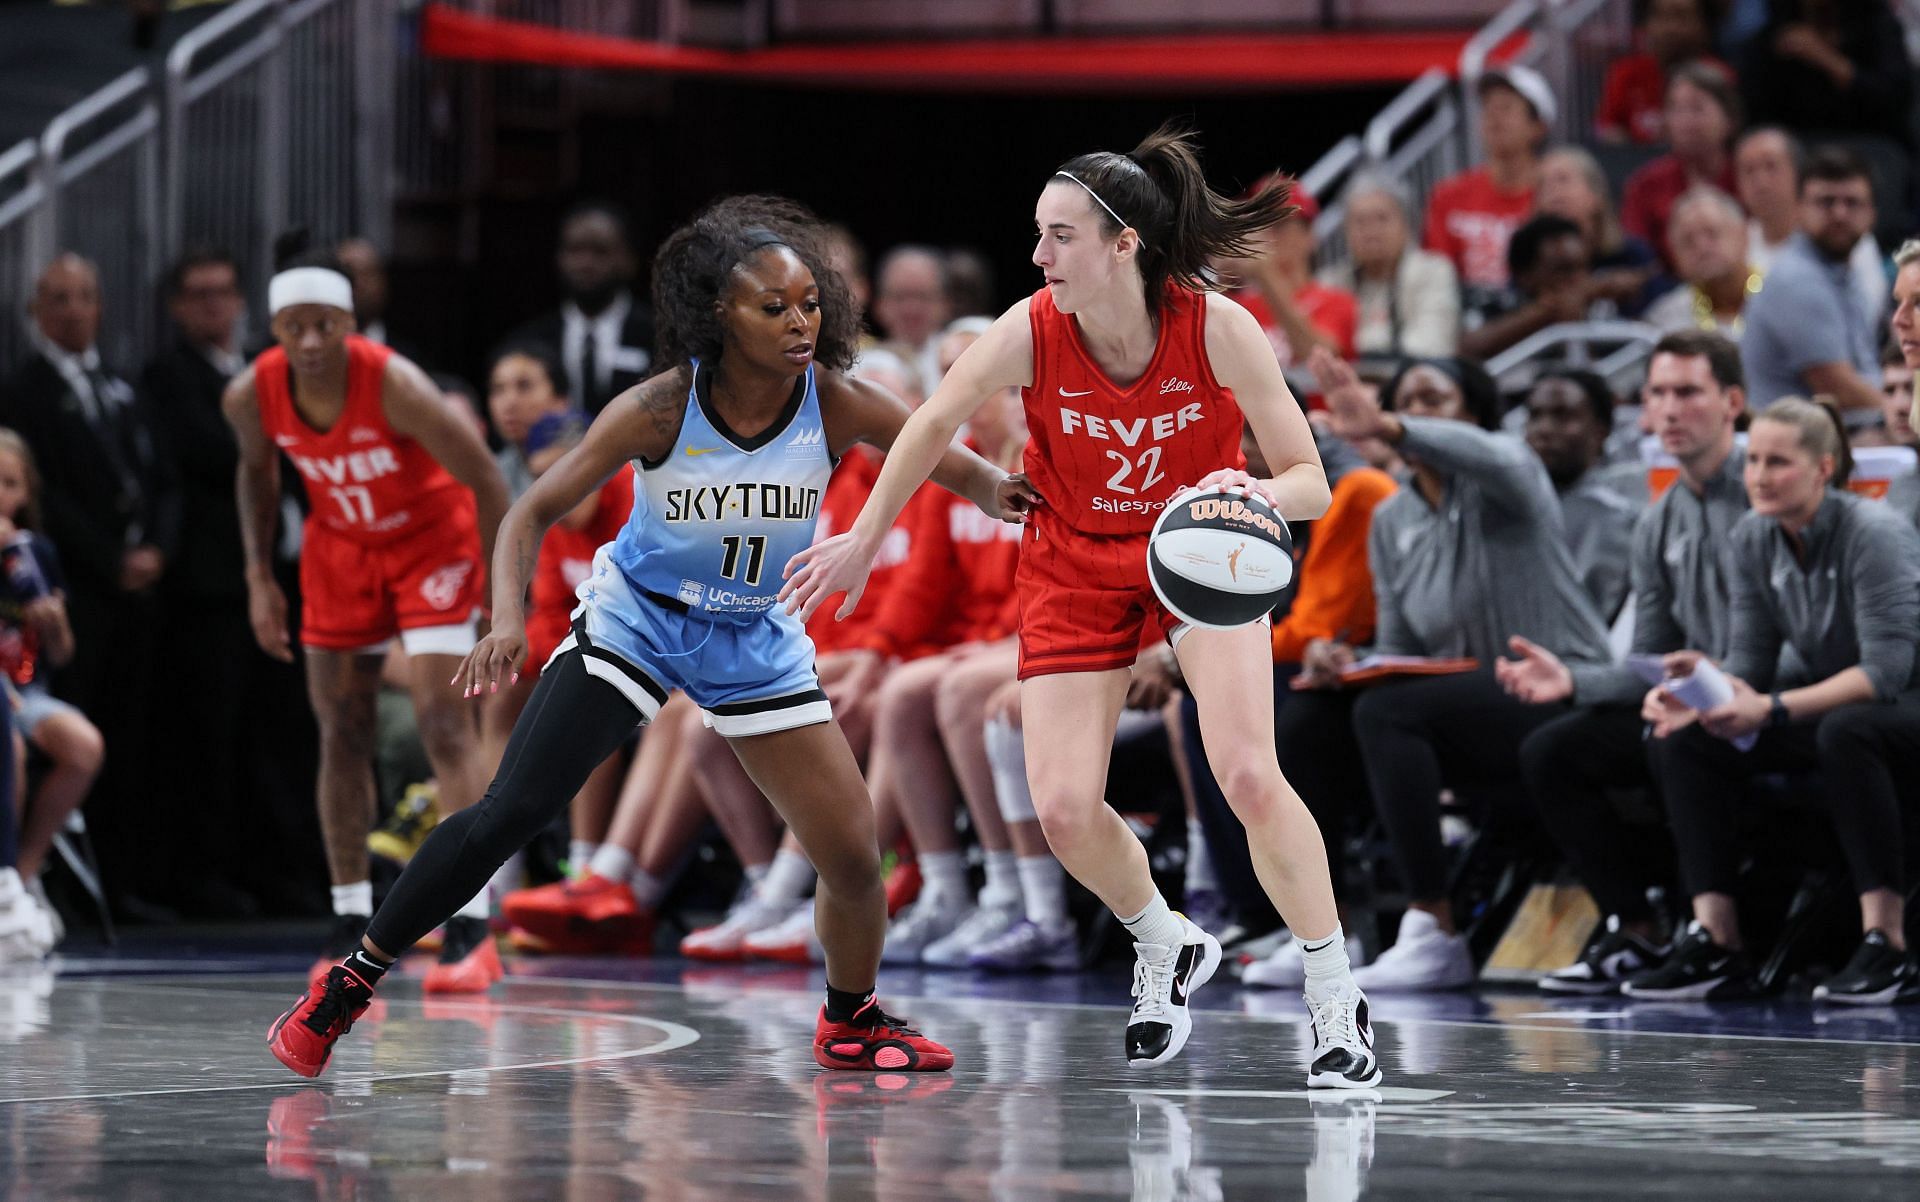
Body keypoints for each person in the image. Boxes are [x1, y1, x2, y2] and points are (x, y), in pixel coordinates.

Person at [267, 194, 985, 1079]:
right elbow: (528, 509)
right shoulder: (658, 408)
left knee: (850, 857)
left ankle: (851, 1017)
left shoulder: (832, 400)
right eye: (775, 308)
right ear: (718, 314)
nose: (802, 323)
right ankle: (351, 979)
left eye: (810, 304)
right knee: (510, 813)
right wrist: (502, 620)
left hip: (751, 635)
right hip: (637, 623)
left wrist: (1016, 494)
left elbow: (940, 453)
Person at [781, 125, 1379, 1086]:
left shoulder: (1219, 328)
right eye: (1036, 235)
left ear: (1123, 246)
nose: (1037, 256)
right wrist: (861, 536)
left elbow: (1311, 473)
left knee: (1250, 776)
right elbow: (931, 424)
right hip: (1072, 561)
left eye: (1058, 237)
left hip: (1200, 556)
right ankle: (1163, 941)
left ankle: (1332, 992)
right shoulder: (1028, 327)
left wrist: (1251, 496)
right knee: (1061, 808)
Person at [226, 238, 510, 994]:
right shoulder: (250, 394)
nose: (312, 342)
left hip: (430, 543)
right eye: (296, 328)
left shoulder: (397, 384)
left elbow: (485, 476)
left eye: (327, 325)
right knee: (341, 728)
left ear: (349, 323)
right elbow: (255, 476)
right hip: (341, 550)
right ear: (276, 330)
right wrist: (259, 576)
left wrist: (497, 591)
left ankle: (471, 922)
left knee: (442, 721)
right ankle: (349, 917)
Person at [1288, 355, 1611, 993]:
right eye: (1404, 399)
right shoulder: (1394, 519)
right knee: (1310, 718)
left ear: (1475, 418)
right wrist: (1350, 659)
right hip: (1466, 709)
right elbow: (1406, 650)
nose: (1410, 414)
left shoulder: (1513, 481)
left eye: (1433, 400)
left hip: (1560, 689)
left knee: (1389, 714)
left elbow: (1502, 458)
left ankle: (1433, 930)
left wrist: (1389, 423)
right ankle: (1329, 931)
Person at [1629, 398, 1920, 1002]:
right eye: (1754, 458)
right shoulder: (1755, 536)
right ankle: (1716, 939)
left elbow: (1887, 673)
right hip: (1838, 708)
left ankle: (1886, 944)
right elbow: (1751, 665)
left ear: (1823, 468)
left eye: (1779, 462)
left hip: (1900, 704)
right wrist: (1700, 692)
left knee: (1848, 730)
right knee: (1688, 739)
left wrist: (1774, 708)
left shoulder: (1875, 531)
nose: (1758, 475)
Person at [1498, 331, 1749, 994]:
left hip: (1772, 700)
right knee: (1555, 748)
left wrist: (1702, 693)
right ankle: (1635, 927)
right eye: (1658, 393)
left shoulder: (1766, 486)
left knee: (1681, 739)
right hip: (1703, 702)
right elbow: (1652, 656)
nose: (1669, 409)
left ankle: (1718, 940)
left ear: (1732, 402)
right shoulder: (1660, 518)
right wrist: (1573, 679)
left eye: (1688, 392)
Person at [2, 253, 178, 919]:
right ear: (35, 312)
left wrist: (156, 548)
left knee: (123, 738)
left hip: (120, 603)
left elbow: (162, 476)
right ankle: (27, 882)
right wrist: (108, 559)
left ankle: (98, 880)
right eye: (58, 298)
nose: (74, 309)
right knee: (34, 737)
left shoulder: (123, 384)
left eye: (85, 296)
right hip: (81, 586)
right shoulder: (22, 389)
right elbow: (55, 501)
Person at [0, 430, 97, 943]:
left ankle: (24, 872)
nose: (1, 494)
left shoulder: (34, 554)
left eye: (10, 483)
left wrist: (54, 621)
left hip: (27, 692)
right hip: (2, 701)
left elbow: (61, 654)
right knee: (9, 749)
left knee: (83, 746)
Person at [1740, 146, 1883, 410]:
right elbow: (1840, 392)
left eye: (1852, 203)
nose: (1840, 214)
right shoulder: (1796, 280)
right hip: (1795, 443)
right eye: (1826, 202)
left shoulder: (1845, 272)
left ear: (1872, 214)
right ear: (1798, 209)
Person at [1424, 64, 1554, 317]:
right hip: (1462, 317)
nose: (1494, 117)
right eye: (1488, 108)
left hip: (1535, 317)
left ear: (1538, 126)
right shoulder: (1448, 195)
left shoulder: (1554, 195)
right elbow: (1438, 275)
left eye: (1506, 107)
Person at [1521, 370, 1647, 624]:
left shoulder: (1619, 517)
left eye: (1563, 416)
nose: (1544, 430)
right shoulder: (1509, 507)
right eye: (1535, 416)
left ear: (1601, 430)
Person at [508, 201, 656, 416]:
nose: (585, 263)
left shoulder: (657, 334)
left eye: (600, 251)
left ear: (629, 259)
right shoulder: (531, 340)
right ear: (559, 258)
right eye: (575, 250)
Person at [1737, 126, 1888, 328]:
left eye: (1771, 166)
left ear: (1798, 173)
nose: (1760, 181)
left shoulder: (1843, 236)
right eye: (1749, 170)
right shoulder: (1734, 243)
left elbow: (1867, 313)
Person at [1317, 172, 1460, 359]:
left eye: (1382, 219)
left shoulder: (1434, 271)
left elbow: (1431, 344)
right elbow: (1317, 349)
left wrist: (1350, 351)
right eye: (1360, 222)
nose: (1370, 232)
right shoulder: (1330, 282)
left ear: (1406, 224)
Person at [1738, 0, 1914, 148]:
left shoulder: (1876, 23)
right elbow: (1757, 117)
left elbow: (1896, 99)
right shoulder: (1773, 36)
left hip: (1871, 142)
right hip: (1799, 147)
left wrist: (1828, 60)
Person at [1622, 61, 1741, 273]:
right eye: (1676, 109)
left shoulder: (1748, 175)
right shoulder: (1645, 184)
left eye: (1697, 108)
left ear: (1729, 119)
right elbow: (1636, 261)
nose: (1685, 121)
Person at [1222, 182, 1357, 368]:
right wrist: (1221, 282)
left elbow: (1317, 356)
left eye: (1279, 224)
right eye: (1260, 224)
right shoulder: (1242, 306)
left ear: (1310, 235)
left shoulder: (1337, 301)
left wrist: (1265, 275)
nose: (1267, 234)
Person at [1535, 146, 1665, 317]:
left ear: (1595, 195)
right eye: (1543, 184)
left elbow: (1663, 308)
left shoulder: (1631, 256)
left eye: (1562, 180)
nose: (1552, 190)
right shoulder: (1530, 261)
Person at [1459, 215, 1600, 361]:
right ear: (1524, 275)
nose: (1578, 279)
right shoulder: (1494, 305)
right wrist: (1548, 311)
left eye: (1583, 267)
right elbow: (1468, 347)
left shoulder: (1600, 305)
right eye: (1564, 269)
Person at [1596, 0, 1727, 144]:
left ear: (1703, 26)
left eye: (1681, 17)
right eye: (1660, 16)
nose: (1670, 28)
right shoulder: (1625, 73)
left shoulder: (1719, 77)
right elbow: (1606, 128)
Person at [1644, 186, 1761, 338]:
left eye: (1712, 233)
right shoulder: (1664, 324)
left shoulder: (1782, 295)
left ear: (1744, 235)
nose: (1702, 247)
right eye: (1688, 241)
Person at [486, 344, 575, 502]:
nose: (509, 402)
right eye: (498, 389)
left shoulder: (597, 464)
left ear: (561, 400)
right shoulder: (490, 473)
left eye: (524, 386)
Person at [871, 246, 953, 395]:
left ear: (945, 303)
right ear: (880, 304)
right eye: (901, 296)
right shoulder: (859, 367)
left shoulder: (960, 363)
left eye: (923, 296)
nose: (912, 308)